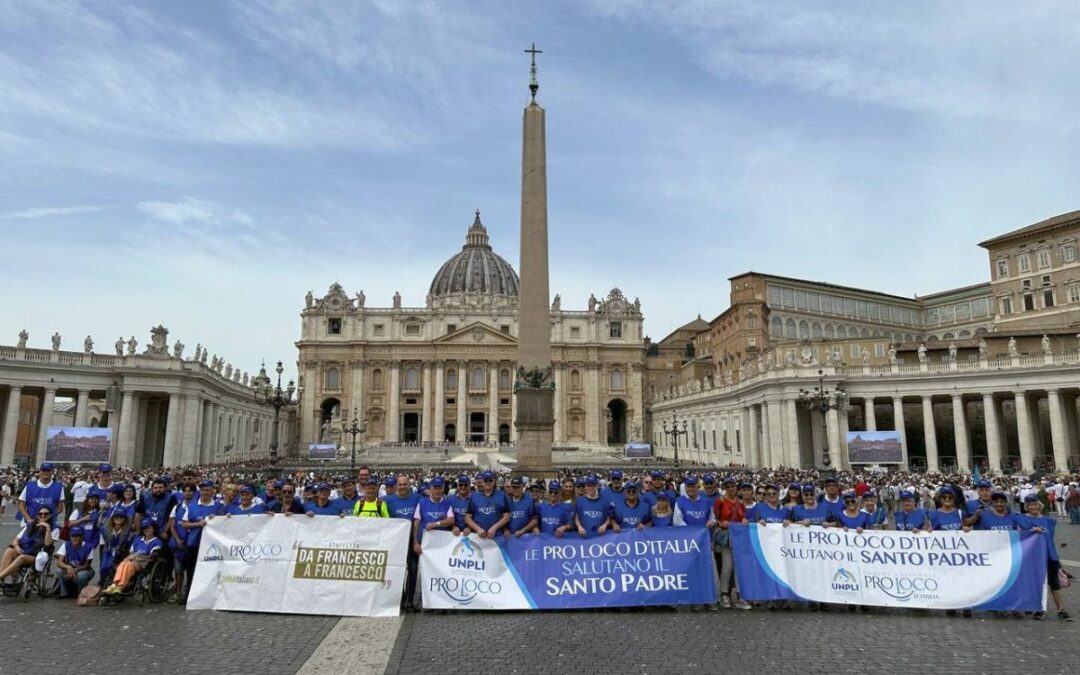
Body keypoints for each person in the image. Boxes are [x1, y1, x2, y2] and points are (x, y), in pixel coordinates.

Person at [1016, 494, 1072, 621]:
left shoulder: (1049, 520)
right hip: (1033, 556)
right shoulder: (1021, 519)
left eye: (1035, 504)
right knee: (1037, 582)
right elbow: (1020, 532)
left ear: (1040, 505)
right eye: (1030, 505)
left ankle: (1061, 609)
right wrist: (1031, 530)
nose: (1033, 507)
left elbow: (1050, 537)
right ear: (1026, 507)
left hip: (1050, 554)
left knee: (1054, 583)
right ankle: (1039, 608)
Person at [178, 480, 223, 603]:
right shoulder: (192, 506)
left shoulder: (218, 506)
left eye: (208, 490)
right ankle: (189, 596)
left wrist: (218, 520)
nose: (205, 492)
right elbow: (184, 524)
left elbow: (225, 523)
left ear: (212, 491)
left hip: (211, 545)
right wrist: (198, 524)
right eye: (203, 490)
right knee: (191, 571)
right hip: (194, 543)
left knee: (211, 571)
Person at [103, 520, 162, 595]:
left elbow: (152, 557)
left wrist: (135, 557)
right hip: (132, 558)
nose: (147, 530)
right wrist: (131, 558)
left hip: (143, 561)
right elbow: (131, 552)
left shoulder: (157, 542)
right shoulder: (137, 540)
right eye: (145, 528)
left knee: (127, 564)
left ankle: (120, 586)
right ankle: (114, 585)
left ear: (153, 529)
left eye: (149, 528)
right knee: (124, 563)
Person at [0, 505, 54, 586]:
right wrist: (16, 546)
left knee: (21, 558)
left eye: (46, 514)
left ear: (50, 515)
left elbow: (47, 544)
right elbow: (16, 539)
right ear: (37, 515)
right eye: (40, 514)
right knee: (9, 550)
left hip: (37, 555)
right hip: (23, 550)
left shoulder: (54, 528)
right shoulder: (30, 525)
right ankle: (2, 579)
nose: (43, 515)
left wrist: (47, 528)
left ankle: (0, 576)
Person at [17, 463, 65, 529]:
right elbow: (21, 504)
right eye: (43, 470)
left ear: (52, 472)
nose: (45, 472)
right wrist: (28, 519)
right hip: (30, 523)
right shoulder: (29, 486)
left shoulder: (59, 487)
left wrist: (48, 517)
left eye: (48, 470)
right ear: (40, 471)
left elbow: (60, 508)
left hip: (49, 523)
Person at [53, 525, 94, 599]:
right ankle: (64, 593)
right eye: (73, 536)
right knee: (59, 571)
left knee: (81, 576)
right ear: (70, 537)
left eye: (78, 536)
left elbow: (87, 565)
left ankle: (80, 593)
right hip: (70, 569)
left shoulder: (89, 547)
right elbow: (59, 562)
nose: (75, 538)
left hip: (84, 569)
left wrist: (75, 570)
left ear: (82, 536)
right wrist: (68, 567)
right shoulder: (66, 544)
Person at [466, 470, 509, 538]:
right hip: (478, 537)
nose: (488, 483)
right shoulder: (474, 496)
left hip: (497, 537)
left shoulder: (502, 495)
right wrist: (477, 528)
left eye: (490, 480)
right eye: (486, 480)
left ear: (494, 481)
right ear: (482, 482)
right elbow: (467, 517)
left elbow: (507, 516)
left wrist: (494, 528)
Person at [99, 511, 133, 587]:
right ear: (112, 519)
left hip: (121, 552)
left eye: (121, 517)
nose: (119, 519)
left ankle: (115, 584)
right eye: (116, 517)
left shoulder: (128, 531)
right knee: (103, 568)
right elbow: (102, 543)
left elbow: (129, 544)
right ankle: (104, 584)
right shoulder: (105, 529)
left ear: (124, 519)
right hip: (108, 551)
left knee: (115, 567)